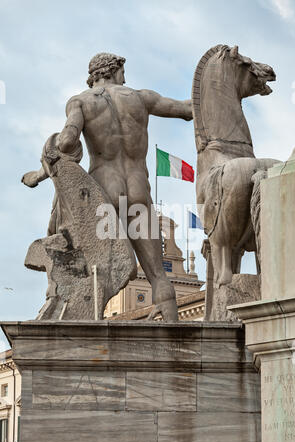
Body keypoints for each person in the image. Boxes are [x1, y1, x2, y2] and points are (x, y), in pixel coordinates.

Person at [22, 53, 193, 322]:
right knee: (158, 275)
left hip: (104, 193)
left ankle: (80, 327)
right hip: (138, 191)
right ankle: (175, 342)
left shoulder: (80, 102)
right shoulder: (142, 97)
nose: (124, 77)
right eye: (123, 71)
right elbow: (186, 109)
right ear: (115, 71)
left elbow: (66, 142)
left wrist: (42, 172)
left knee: (92, 267)